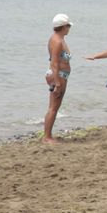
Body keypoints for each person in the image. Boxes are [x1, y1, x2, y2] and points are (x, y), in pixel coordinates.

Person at [42, 14, 74, 143]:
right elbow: (54, 62)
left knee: (55, 106)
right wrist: (57, 83)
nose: (69, 28)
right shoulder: (57, 41)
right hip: (58, 75)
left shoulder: (58, 38)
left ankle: (48, 135)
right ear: (63, 27)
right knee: (53, 106)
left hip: (60, 74)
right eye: (68, 26)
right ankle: (47, 136)